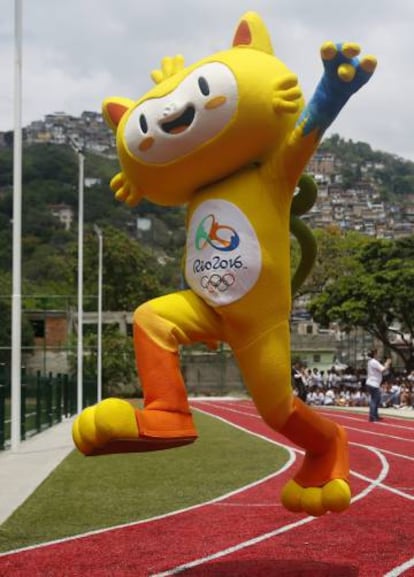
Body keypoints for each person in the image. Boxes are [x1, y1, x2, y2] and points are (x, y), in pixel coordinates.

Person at [365, 349, 392, 422]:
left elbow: (382, 370)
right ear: (374, 354)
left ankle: (374, 416)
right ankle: (373, 417)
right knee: (375, 400)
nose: (378, 355)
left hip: (371, 383)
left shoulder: (370, 362)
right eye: (377, 353)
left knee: (375, 400)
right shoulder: (374, 361)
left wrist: (386, 365)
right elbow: (383, 369)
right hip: (374, 384)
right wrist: (387, 362)